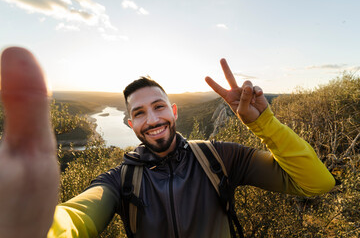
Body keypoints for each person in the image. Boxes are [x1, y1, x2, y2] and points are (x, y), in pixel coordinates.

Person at [0, 47, 335, 238]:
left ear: (173, 112)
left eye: (159, 107)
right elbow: (78, 217)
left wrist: (264, 123)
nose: (153, 120)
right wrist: (37, 227)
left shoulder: (219, 157)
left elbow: (316, 183)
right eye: (140, 113)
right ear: (130, 124)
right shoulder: (120, 181)